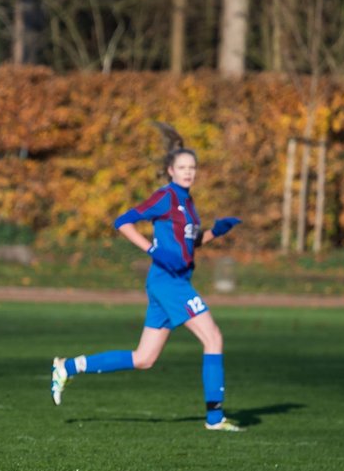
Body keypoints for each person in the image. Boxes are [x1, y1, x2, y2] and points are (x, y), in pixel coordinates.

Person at [50, 123, 243, 432]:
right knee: (213, 338)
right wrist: (153, 249)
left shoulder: (188, 202)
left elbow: (187, 246)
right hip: (168, 282)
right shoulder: (165, 197)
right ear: (170, 170)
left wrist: (215, 233)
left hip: (170, 281)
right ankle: (215, 418)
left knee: (144, 358)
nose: (188, 172)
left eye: (192, 167)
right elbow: (123, 221)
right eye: (182, 167)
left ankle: (67, 367)